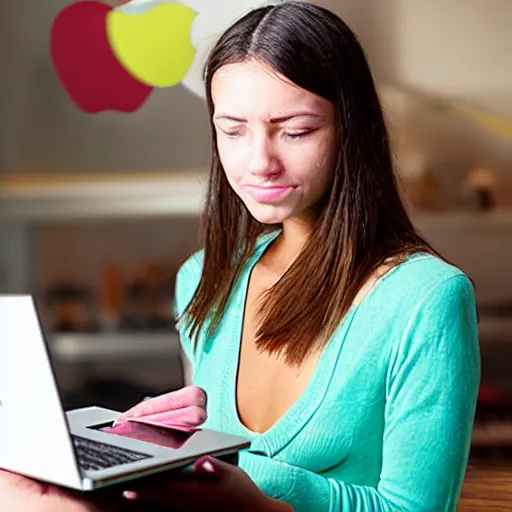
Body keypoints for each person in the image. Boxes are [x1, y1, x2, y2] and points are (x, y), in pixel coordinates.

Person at [0, 1, 480, 511]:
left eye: (295, 131)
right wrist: (152, 446)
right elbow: (205, 471)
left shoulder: (426, 300)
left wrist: (261, 500)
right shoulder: (204, 278)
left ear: (351, 130)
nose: (259, 163)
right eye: (232, 130)